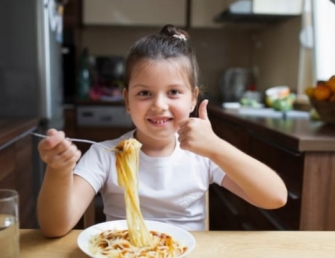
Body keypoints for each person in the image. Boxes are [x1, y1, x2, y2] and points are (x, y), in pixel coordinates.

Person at [37, 24, 287, 238]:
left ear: (193, 99)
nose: (159, 105)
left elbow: (275, 197)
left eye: (174, 92)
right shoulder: (104, 155)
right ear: (126, 101)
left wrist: (216, 147)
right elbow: (54, 227)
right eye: (144, 93)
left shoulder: (204, 155)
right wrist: (58, 171)